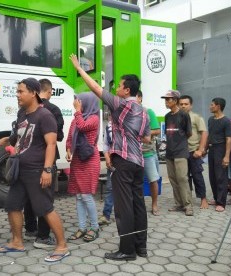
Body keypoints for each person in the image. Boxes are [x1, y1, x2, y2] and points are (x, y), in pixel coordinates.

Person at [70, 54, 151, 261]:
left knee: (124, 208)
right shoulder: (143, 111)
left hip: (123, 162)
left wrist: (80, 69)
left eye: (119, 86)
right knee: (138, 205)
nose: (116, 88)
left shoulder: (122, 104)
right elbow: (147, 138)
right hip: (138, 162)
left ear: (127, 90)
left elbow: (97, 90)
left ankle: (127, 250)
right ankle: (141, 248)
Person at [0, 78, 69, 262]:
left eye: (21, 92)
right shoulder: (23, 114)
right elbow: (21, 135)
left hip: (37, 170)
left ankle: (62, 246)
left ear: (34, 93)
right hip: (20, 169)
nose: (17, 95)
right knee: (12, 205)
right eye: (17, 92)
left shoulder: (45, 116)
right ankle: (17, 242)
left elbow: (51, 144)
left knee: (44, 208)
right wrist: (8, 139)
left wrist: (47, 170)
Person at [24, 78, 64, 249]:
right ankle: (43, 237)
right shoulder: (53, 109)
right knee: (45, 197)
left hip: (28, 159)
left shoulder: (26, 107)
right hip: (46, 159)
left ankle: (30, 229)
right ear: (50, 91)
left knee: (29, 195)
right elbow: (58, 136)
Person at [66, 92, 101, 242]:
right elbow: (70, 136)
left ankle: (95, 227)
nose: (76, 103)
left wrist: (78, 112)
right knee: (79, 196)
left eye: (79, 101)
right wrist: (68, 150)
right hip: (77, 160)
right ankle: (82, 227)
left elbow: (82, 126)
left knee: (86, 195)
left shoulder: (94, 118)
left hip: (89, 160)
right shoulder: (77, 118)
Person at [162, 90, 193, 216]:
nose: (166, 102)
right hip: (169, 153)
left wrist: (179, 143)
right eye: (165, 99)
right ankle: (179, 204)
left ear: (175, 100)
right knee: (173, 179)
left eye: (168, 99)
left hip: (181, 152)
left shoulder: (184, 115)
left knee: (182, 178)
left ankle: (188, 205)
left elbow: (189, 133)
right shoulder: (167, 116)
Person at [179, 95, 209, 209]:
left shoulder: (196, 117)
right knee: (183, 177)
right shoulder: (177, 118)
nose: (183, 106)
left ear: (190, 105)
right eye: (181, 104)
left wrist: (200, 150)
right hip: (180, 152)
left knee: (197, 176)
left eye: (185, 104)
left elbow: (204, 133)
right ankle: (186, 200)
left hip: (193, 151)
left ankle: (203, 199)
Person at [205, 98, 231, 212]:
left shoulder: (226, 121)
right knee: (212, 176)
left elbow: (229, 140)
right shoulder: (211, 119)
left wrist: (226, 156)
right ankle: (216, 199)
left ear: (218, 106)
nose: (210, 107)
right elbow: (209, 136)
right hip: (212, 149)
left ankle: (221, 202)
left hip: (221, 149)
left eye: (212, 105)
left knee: (221, 176)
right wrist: (204, 149)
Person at [137, 90, 161, 215]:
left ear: (140, 98)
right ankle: (138, 206)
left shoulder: (148, 112)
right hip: (133, 154)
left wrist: (142, 133)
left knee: (153, 180)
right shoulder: (128, 114)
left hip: (147, 153)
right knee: (136, 182)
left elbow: (157, 130)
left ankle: (154, 204)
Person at [98, 116, 113, 225]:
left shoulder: (128, 122)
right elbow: (106, 144)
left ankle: (130, 215)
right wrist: (107, 158)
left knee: (128, 189)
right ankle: (106, 215)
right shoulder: (109, 126)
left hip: (127, 162)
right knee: (109, 189)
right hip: (113, 162)